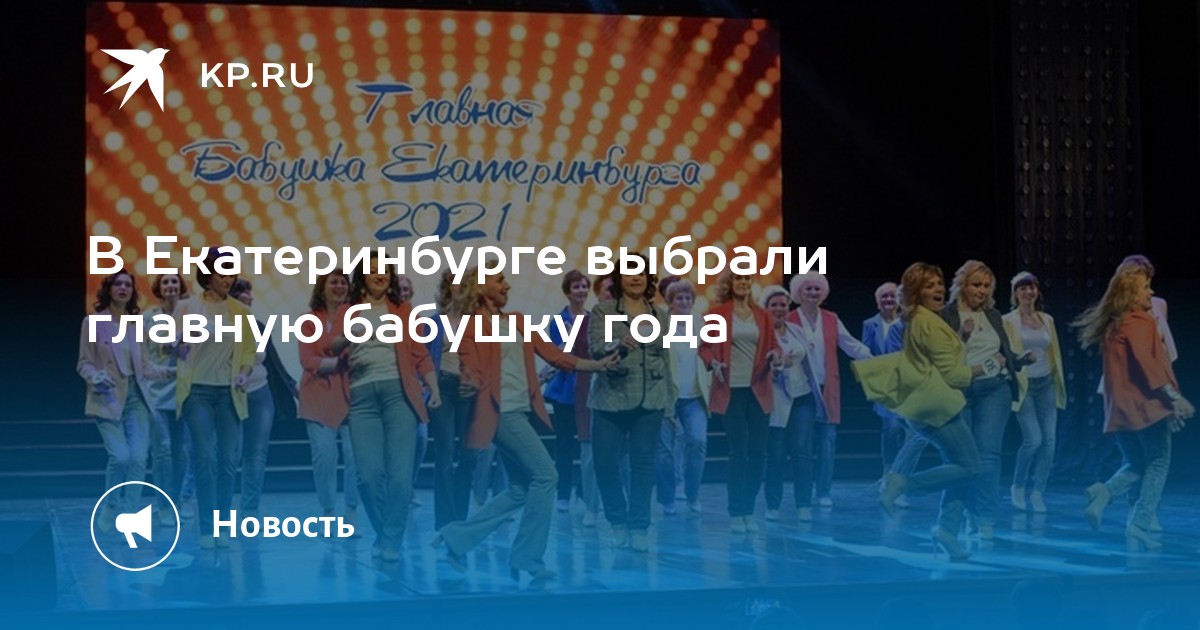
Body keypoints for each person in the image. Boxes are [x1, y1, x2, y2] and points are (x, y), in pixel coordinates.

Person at [433, 266, 615, 579]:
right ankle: (528, 558)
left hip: (520, 411)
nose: (507, 285)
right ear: (480, 287)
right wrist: (469, 381)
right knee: (546, 476)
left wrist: (596, 365)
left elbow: (554, 355)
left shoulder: (517, 320)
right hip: (500, 413)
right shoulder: (470, 326)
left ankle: (457, 537)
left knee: (520, 488)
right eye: (499, 280)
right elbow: (472, 367)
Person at [854, 262, 983, 561]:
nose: (938, 289)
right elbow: (954, 375)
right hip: (937, 406)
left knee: (958, 470)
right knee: (971, 467)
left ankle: (947, 530)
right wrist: (990, 365)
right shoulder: (927, 322)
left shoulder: (921, 320)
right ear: (915, 292)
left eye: (939, 283)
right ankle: (903, 483)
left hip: (931, 404)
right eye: (929, 285)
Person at [1071, 266, 1193, 551]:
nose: (1151, 292)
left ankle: (1104, 493)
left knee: (1137, 463)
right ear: (1131, 295)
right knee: (1159, 462)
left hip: (1122, 410)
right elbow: (1147, 363)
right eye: (1145, 287)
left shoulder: (1116, 324)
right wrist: (1173, 398)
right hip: (1145, 407)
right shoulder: (1139, 321)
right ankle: (1139, 523)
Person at [330, 254, 441, 561]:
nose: (379, 275)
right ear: (362, 276)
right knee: (367, 475)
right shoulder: (348, 310)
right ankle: (385, 533)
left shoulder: (403, 310)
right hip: (361, 397)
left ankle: (390, 540)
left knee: (400, 474)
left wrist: (434, 387)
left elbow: (420, 354)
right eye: (373, 271)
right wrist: (347, 336)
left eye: (385, 271)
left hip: (398, 393)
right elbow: (331, 346)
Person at [588, 256, 677, 550]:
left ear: (649, 279)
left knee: (643, 464)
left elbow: (665, 359)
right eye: (629, 273)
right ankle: (616, 520)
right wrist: (618, 344)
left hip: (650, 397)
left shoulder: (660, 315)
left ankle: (638, 525)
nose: (636, 278)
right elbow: (596, 349)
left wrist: (670, 403)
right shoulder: (603, 311)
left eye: (641, 273)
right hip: (610, 398)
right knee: (604, 463)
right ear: (619, 279)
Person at [175, 250, 257, 549]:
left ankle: (223, 525)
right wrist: (177, 345)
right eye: (223, 273)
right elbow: (168, 343)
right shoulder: (186, 307)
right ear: (208, 275)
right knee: (205, 457)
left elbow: (249, 353)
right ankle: (206, 528)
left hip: (228, 392)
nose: (228, 279)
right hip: (197, 391)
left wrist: (244, 374)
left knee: (228, 460)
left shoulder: (241, 312)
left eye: (231, 273)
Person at [940, 260, 1028, 539]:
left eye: (987, 286)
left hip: (994, 389)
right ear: (962, 285)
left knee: (988, 455)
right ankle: (964, 514)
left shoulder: (993, 315)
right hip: (959, 390)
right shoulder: (946, 314)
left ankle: (986, 518)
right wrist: (962, 336)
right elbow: (943, 354)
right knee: (962, 458)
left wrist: (1019, 360)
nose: (982, 290)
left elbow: (1002, 353)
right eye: (976, 284)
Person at [78, 269, 166, 533]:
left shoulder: (136, 324)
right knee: (121, 457)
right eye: (118, 284)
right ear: (109, 289)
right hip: (108, 397)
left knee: (139, 458)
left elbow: (145, 366)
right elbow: (84, 363)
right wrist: (95, 376)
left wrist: (173, 371)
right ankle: (111, 504)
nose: (123, 288)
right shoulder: (93, 323)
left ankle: (130, 513)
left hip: (137, 399)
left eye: (128, 285)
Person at [787, 273, 872, 508]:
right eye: (808, 289)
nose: (813, 293)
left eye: (817, 289)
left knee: (827, 442)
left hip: (828, 388)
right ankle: (803, 491)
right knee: (803, 445)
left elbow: (850, 344)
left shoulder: (831, 318)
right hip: (802, 390)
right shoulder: (790, 318)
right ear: (798, 292)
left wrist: (874, 358)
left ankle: (823, 491)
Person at [701, 271, 777, 533]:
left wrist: (776, 355)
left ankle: (748, 510)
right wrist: (713, 362)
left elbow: (773, 345)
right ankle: (735, 511)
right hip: (730, 390)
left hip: (759, 390)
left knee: (758, 453)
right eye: (738, 279)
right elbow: (705, 347)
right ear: (729, 284)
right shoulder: (717, 314)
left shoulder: (763, 315)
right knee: (739, 452)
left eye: (747, 279)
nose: (743, 283)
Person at [229, 279, 298, 518]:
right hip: (230, 395)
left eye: (250, 296)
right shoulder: (220, 326)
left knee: (256, 454)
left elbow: (274, 363)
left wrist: (295, 388)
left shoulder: (258, 326)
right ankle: (223, 506)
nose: (250, 300)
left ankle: (249, 509)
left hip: (261, 393)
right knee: (231, 453)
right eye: (244, 296)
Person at [297, 270, 359, 529]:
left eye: (344, 282)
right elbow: (308, 359)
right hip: (317, 397)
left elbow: (358, 350)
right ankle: (328, 509)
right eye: (333, 282)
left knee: (355, 457)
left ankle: (351, 510)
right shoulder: (308, 321)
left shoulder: (357, 315)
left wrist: (333, 354)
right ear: (322, 288)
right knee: (324, 457)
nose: (339, 286)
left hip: (352, 396)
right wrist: (338, 360)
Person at [1001, 272, 1066, 514]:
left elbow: (1054, 352)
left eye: (1032, 288)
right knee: (1033, 440)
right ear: (1015, 293)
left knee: (1049, 442)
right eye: (1023, 288)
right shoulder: (1008, 321)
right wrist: (1020, 359)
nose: (1028, 292)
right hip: (1024, 385)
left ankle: (1038, 491)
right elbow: (1005, 353)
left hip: (1046, 383)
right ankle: (1018, 485)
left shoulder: (1047, 319)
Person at [760, 285, 815, 522]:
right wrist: (776, 367)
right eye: (774, 305)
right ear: (766, 308)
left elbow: (808, 359)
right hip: (775, 400)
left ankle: (804, 505)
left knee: (801, 452)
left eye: (783, 304)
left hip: (802, 397)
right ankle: (773, 505)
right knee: (775, 455)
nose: (779, 309)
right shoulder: (761, 334)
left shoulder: (796, 330)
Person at [541, 270, 591, 513]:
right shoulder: (558, 321)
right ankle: (562, 493)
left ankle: (583, 492)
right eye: (576, 287)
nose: (581, 291)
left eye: (584, 286)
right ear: (567, 292)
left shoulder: (594, 319)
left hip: (588, 388)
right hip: (564, 390)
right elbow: (558, 353)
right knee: (564, 444)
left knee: (587, 445)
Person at [142, 272, 189, 525]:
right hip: (155, 392)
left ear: (181, 287)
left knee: (181, 453)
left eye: (174, 281)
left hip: (183, 392)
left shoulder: (192, 316)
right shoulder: (148, 318)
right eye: (165, 282)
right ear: (159, 288)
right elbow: (142, 356)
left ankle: (176, 500)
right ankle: (163, 506)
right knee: (162, 451)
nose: (170, 286)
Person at [661, 279, 711, 516]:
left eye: (687, 298)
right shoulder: (661, 324)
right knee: (665, 451)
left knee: (698, 442)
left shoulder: (700, 322)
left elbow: (708, 351)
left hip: (695, 396)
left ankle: (693, 494)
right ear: (670, 301)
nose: (683, 302)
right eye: (679, 298)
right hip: (668, 396)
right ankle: (668, 497)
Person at [862, 282, 905, 485]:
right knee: (891, 426)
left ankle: (901, 473)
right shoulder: (870, 324)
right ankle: (888, 471)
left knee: (907, 430)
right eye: (884, 296)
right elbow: (865, 353)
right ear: (878, 301)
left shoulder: (908, 322)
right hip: (883, 384)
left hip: (907, 383)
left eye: (892, 295)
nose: (888, 299)